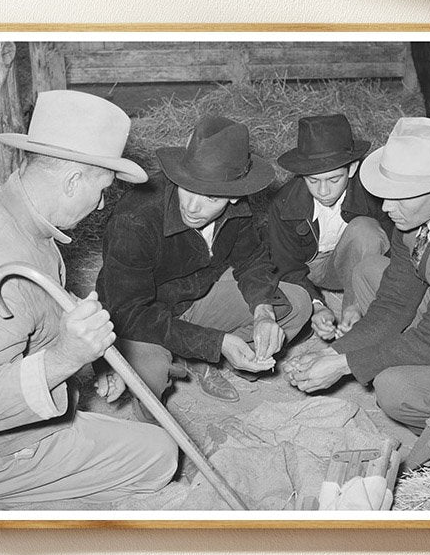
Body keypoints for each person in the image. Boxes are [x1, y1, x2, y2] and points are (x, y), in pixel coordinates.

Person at [0, 90, 177, 508]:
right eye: (102, 188)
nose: (102, 203)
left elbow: (33, 312)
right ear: (74, 179)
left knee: (116, 431)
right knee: (160, 456)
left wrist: (90, 357)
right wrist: (66, 357)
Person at [285, 117, 430, 429]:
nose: (386, 207)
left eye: (400, 196)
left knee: (393, 389)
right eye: (386, 193)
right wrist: (333, 353)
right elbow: (393, 306)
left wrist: (345, 365)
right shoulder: (414, 220)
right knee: (369, 271)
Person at [96, 115, 312, 408]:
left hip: (195, 302)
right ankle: (156, 435)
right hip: (144, 318)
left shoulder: (236, 206)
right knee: (151, 375)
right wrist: (214, 342)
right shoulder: (135, 219)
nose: (194, 208)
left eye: (211, 198)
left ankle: (207, 359)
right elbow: (128, 312)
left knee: (297, 303)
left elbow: (252, 260)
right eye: (188, 189)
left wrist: (263, 313)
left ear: (235, 197)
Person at [267, 113, 393, 340]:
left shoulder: (373, 194)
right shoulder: (283, 204)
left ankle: (353, 314)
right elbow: (284, 265)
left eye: (334, 180)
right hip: (306, 268)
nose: (323, 191)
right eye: (313, 181)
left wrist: (359, 303)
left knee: (366, 230)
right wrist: (316, 306)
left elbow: (392, 248)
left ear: (353, 169)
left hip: (351, 263)